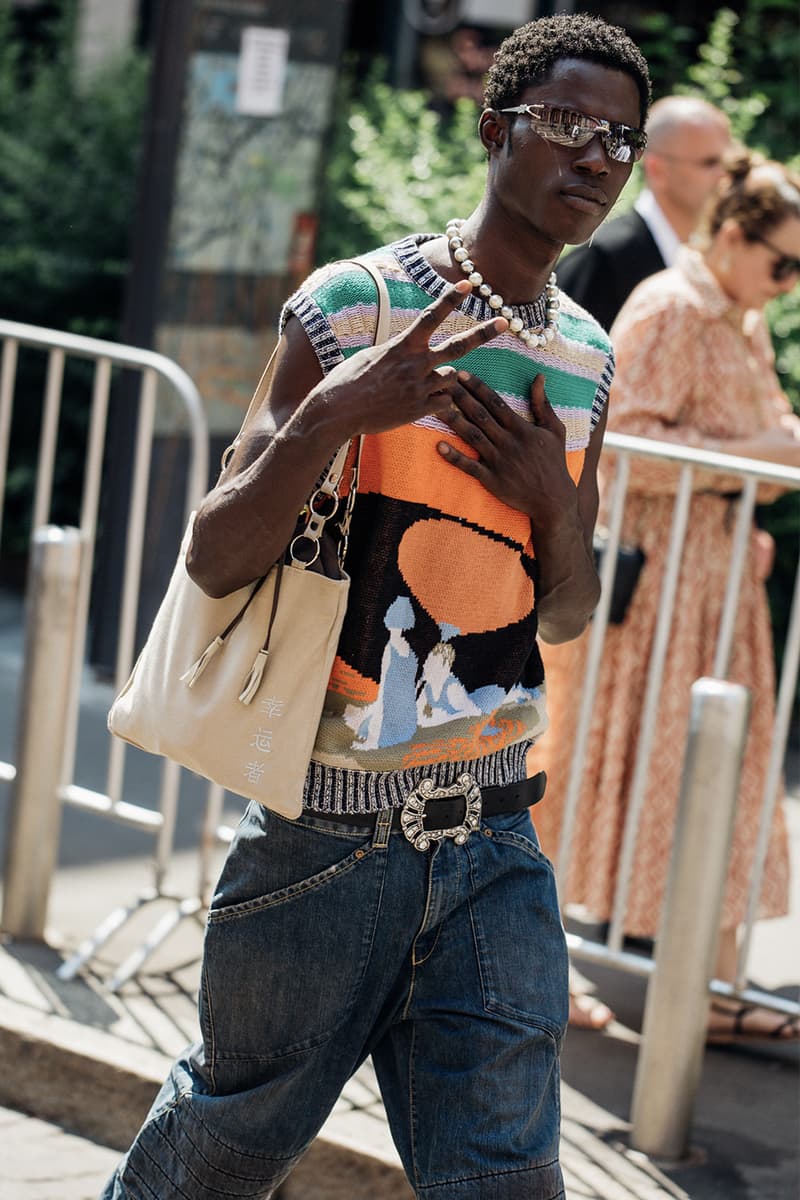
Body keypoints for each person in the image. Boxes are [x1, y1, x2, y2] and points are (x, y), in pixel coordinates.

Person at [101, 14, 652, 1198]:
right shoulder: (351, 304)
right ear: (497, 128)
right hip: (323, 841)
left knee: (504, 1180)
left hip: (495, 836)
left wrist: (551, 507)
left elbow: (561, 615)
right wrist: (336, 413)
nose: (596, 157)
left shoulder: (586, 358)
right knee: (221, 1151)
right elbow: (211, 554)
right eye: (566, 125)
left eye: (621, 138)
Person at [534, 147, 800, 1044]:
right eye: (784, 262)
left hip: (716, 581)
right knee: (602, 766)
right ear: (732, 236)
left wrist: (745, 493)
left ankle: (713, 988)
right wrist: (756, 460)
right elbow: (624, 443)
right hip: (657, 588)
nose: (789, 283)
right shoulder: (671, 307)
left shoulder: (739, 317)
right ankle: (541, 966)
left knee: (722, 773)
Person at [556, 94, 731, 330]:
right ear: (657, 170)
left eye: (729, 164)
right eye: (710, 163)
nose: (725, 176)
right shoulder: (604, 259)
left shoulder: (708, 256)